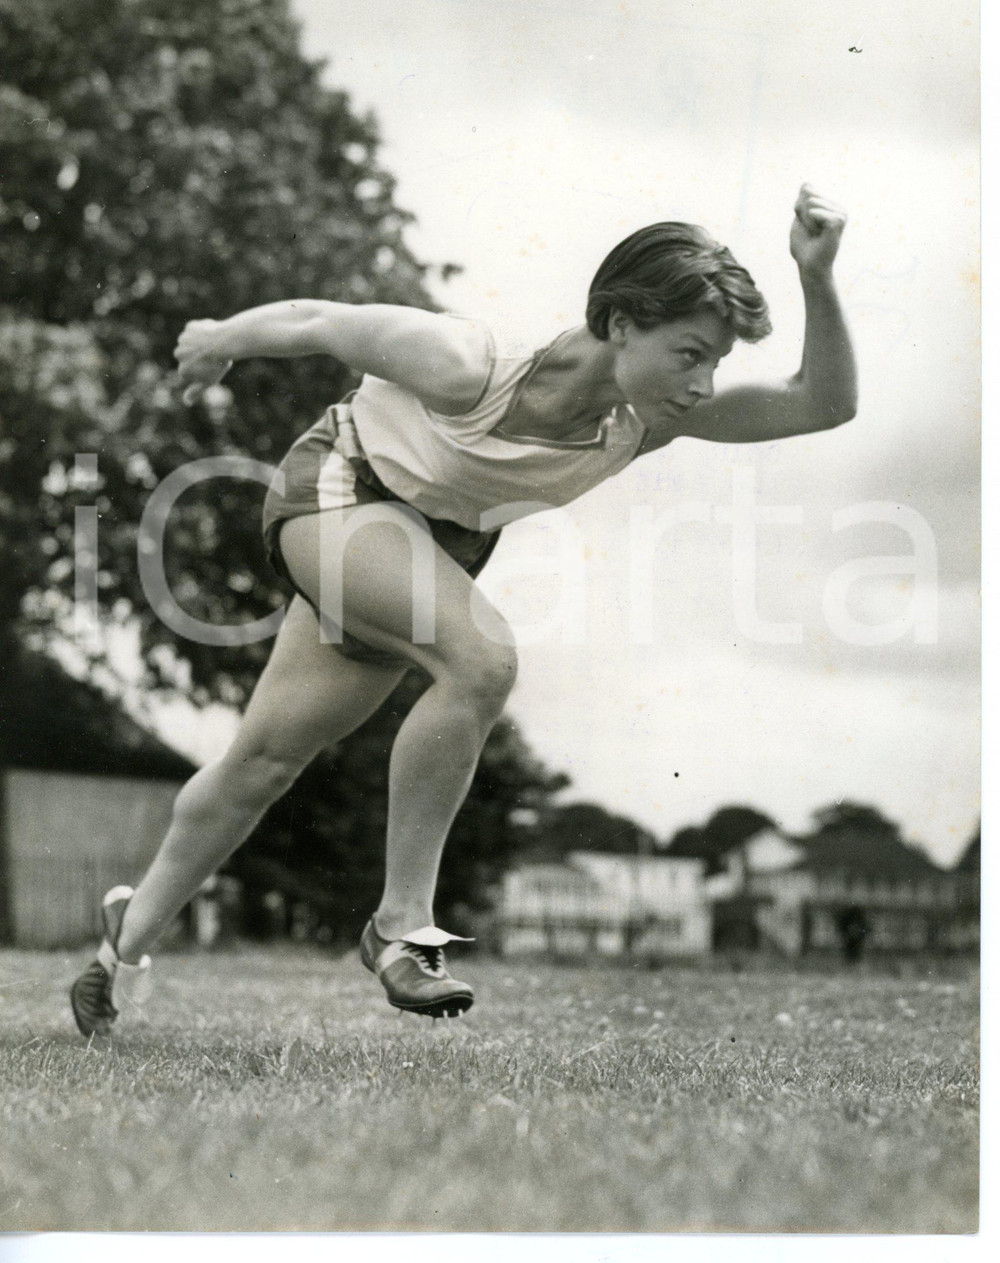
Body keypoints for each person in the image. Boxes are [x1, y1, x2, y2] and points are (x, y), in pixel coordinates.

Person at [70, 183, 856, 1035]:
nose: (704, 383)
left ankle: (124, 940)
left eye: (716, 363)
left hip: (417, 551)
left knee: (263, 761)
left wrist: (816, 274)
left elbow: (824, 402)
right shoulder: (469, 363)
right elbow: (319, 321)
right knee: (481, 657)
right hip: (337, 491)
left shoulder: (644, 421)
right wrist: (217, 340)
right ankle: (402, 925)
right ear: (623, 322)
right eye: (691, 352)